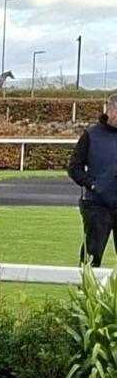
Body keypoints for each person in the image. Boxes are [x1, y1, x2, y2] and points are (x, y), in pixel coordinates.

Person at [68, 93, 117, 266]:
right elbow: (74, 168)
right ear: (110, 111)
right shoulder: (91, 135)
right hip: (97, 205)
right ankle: (86, 285)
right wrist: (93, 185)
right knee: (91, 257)